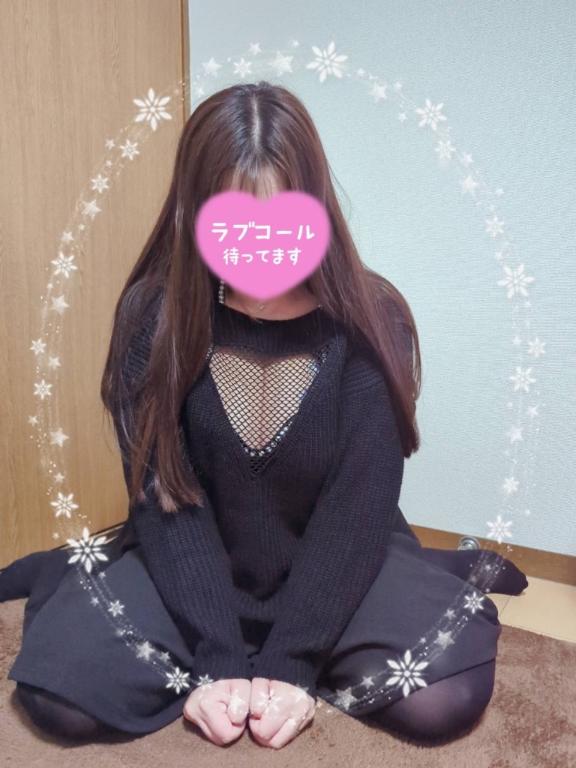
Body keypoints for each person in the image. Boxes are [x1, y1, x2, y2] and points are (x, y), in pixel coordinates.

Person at [1, 81, 528, 749]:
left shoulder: (372, 319)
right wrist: (218, 658)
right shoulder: (152, 319)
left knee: (440, 700)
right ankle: (83, 572)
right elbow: (164, 500)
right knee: (62, 697)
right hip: (192, 557)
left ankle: (349, 617)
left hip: (334, 551)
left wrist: (292, 662)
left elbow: (357, 505)